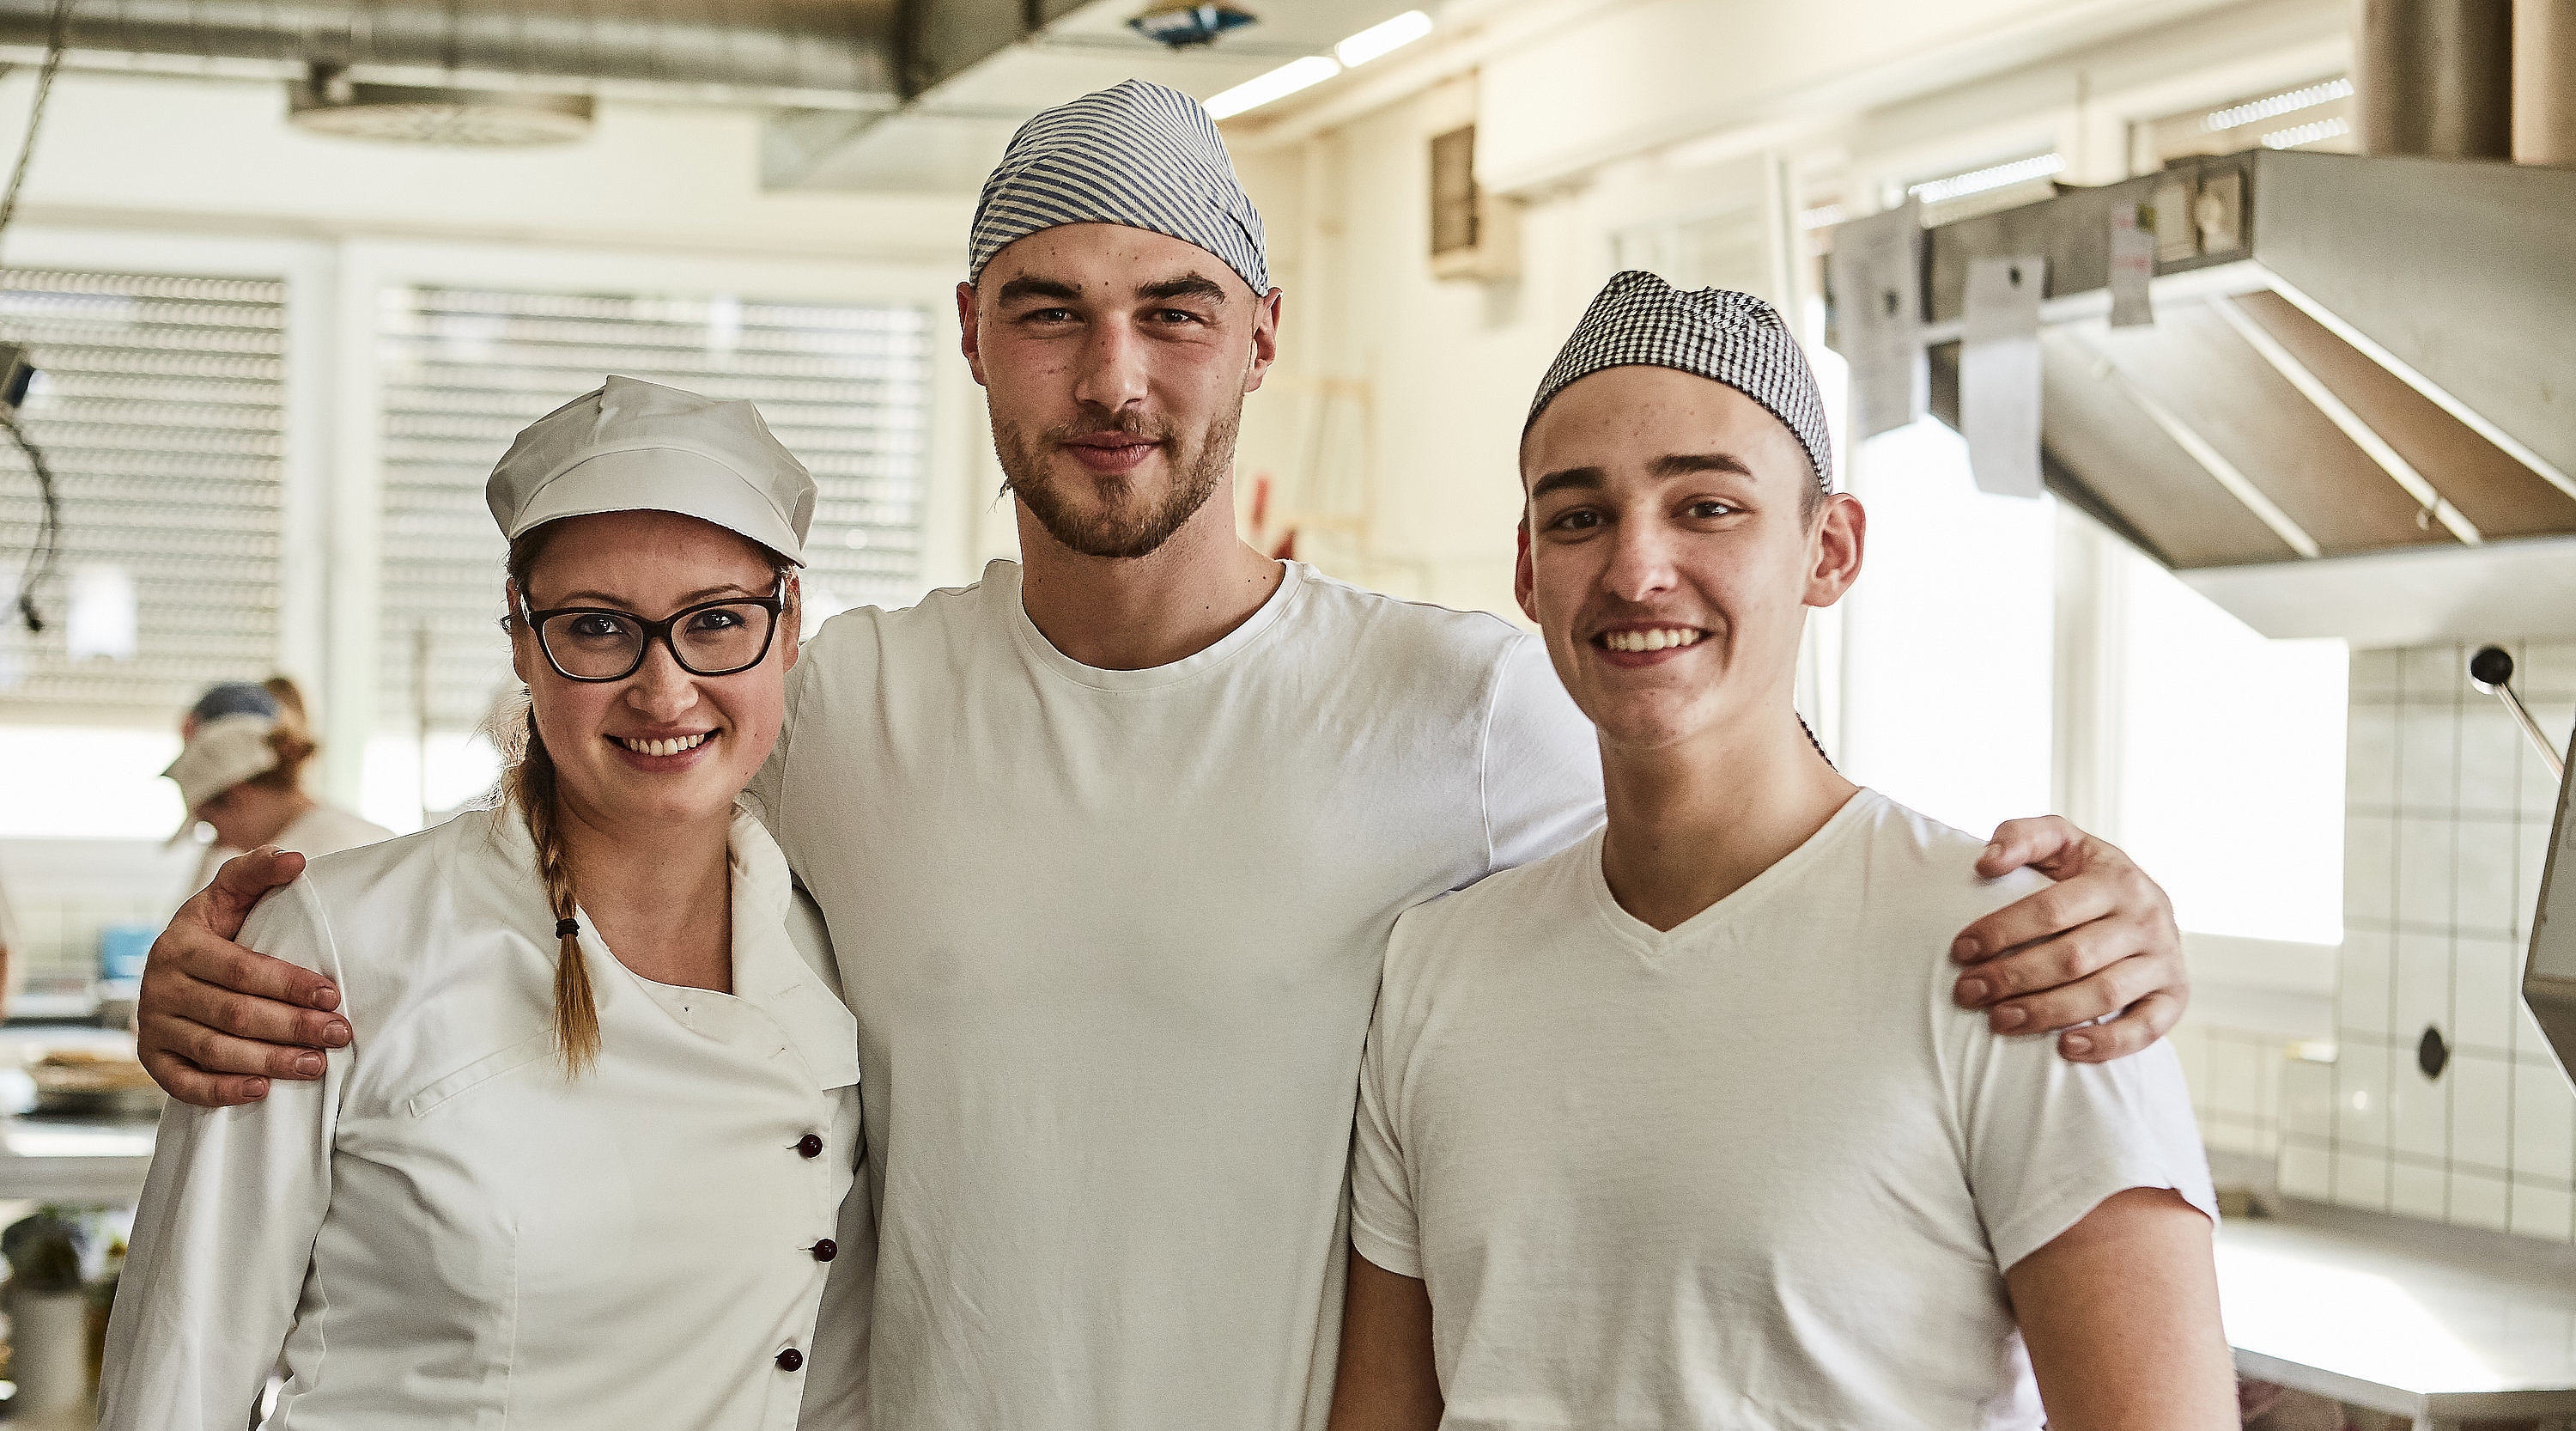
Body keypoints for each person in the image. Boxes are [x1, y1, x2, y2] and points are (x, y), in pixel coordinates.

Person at [132, 82, 2191, 1431]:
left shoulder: (1463, 715)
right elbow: (585, 779)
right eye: (1049, 311)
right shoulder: (844, 709)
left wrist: (2103, 910)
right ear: (967, 338)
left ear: (1262, 336)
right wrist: (245, 953)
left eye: (1173, 309)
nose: (1111, 377)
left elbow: (1748, 831)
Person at [1328, 276, 2233, 1430]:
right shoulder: (1436, 969)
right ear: (1527, 572)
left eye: (1706, 506)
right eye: (1577, 516)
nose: (1635, 567)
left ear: (1831, 547)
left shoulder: (2024, 955)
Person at [100, 378, 869, 1429]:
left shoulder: (842, 934)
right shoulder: (340, 935)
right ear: (520, 636)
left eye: (717, 620)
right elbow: (181, 1366)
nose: (664, 688)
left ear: (788, 630)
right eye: (597, 628)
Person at [163, 678, 390, 897]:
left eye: (210, 823)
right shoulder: (358, 833)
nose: (219, 841)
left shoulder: (301, 862)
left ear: (239, 796)